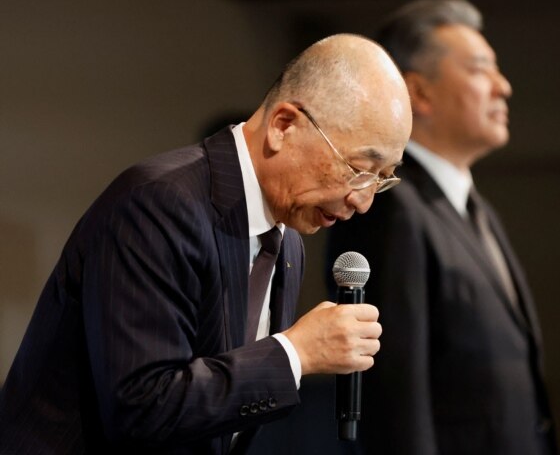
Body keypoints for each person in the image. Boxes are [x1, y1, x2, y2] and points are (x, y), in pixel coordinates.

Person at [0, 33, 412, 454]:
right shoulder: (159, 203)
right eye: (360, 169)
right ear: (283, 126)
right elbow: (143, 405)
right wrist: (295, 352)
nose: (362, 201)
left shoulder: (288, 242)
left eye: (383, 179)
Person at [327, 0, 557, 455]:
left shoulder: (477, 209)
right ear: (420, 93)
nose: (503, 86)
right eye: (479, 69)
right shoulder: (392, 207)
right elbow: (395, 393)